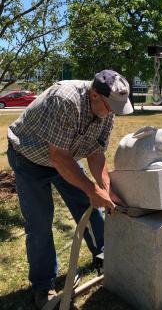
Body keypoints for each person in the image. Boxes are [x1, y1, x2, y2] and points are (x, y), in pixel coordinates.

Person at [7, 69, 133, 309]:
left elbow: (96, 154)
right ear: (95, 94)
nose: (111, 114)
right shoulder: (65, 100)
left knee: (87, 204)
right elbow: (58, 157)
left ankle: (105, 256)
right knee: (40, 223)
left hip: (63, 155)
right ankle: (43, 285)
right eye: (109, 108)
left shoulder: (107, 108)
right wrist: (91, 189)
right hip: (29, 157)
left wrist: (105, 189)